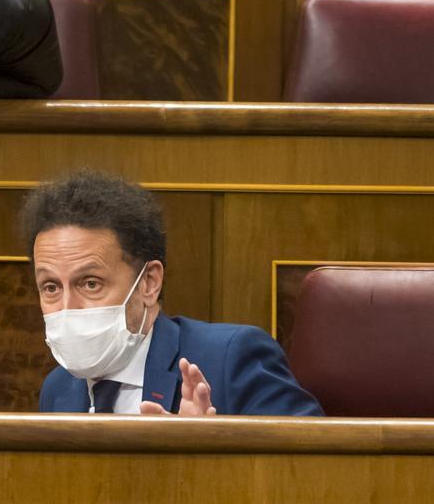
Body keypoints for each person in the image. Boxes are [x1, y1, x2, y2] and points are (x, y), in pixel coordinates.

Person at [23, 170, 323, 416]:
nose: (68, 308)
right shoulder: (59, 389)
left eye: (90, 283)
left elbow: (314, 474)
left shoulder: (231, 359)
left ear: (149, 283)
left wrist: (207, 456)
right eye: (50, 287)